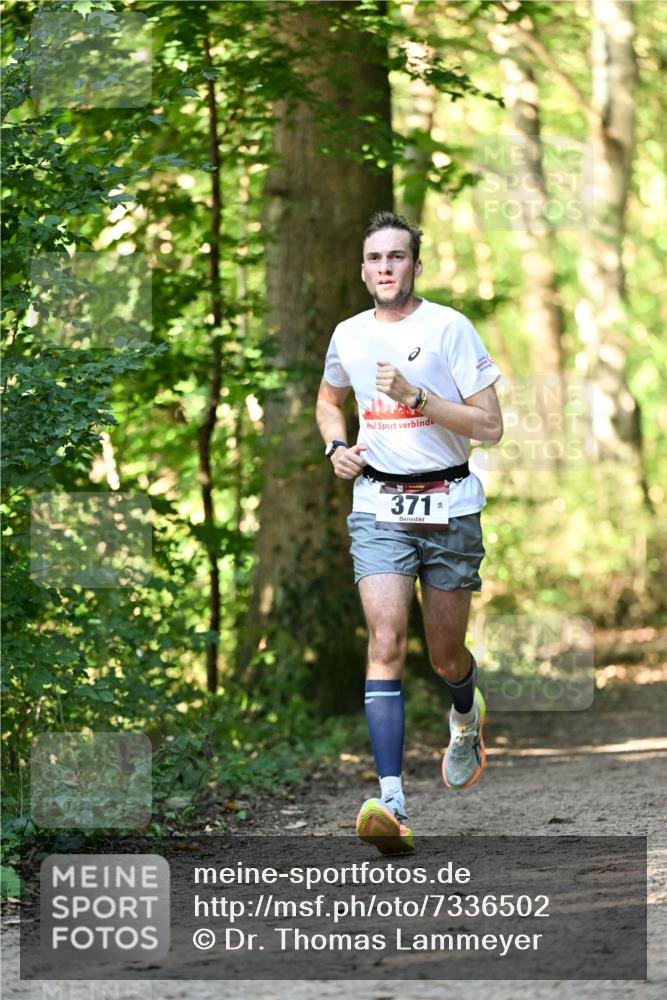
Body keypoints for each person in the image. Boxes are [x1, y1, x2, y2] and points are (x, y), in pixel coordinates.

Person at [316, 210, 503, 855]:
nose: (386, 267)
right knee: (386, 641)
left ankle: (463, 712)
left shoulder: (449, 328)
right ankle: (391, 798)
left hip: (449, 500)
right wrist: (337, 446)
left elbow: (490, 427)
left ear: (415, 266)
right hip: (378, 506)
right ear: (363, 270)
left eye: (398, 257)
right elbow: (326, 399)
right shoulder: (348, 335)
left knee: (445, 655)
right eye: (375, 259)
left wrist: (419, 398)